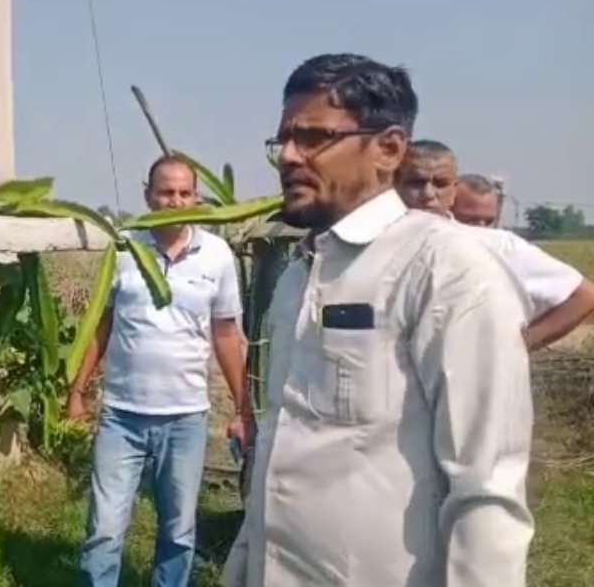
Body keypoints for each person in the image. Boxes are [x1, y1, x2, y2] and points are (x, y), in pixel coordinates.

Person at [222, 53, 534, 587]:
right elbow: (280, 442)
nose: (290, 157)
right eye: (283, 141)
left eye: (314, 137)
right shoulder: (301, 271)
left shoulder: (446, 270)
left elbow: (487, 486)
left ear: (388, 148)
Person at [68, 153, 254, 586]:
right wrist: (78, 390)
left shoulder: (217, 256)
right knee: (105, 531)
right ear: (147, 195)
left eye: (184, 192)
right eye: (166, 192)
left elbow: (226, 335)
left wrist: (243, 409)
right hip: (121, 416)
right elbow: (102, 322)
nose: (175, 201)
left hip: (186, 417)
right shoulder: (125, 248)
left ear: (197, 196)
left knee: (178, 531)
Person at [397, 143, 594, 351]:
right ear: (393, 184)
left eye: (441, 183)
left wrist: (511, 351)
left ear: (453, 190)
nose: (428, 194)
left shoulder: (498, 246)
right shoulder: (372, 242)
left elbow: (583, 296)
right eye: (415, 183)